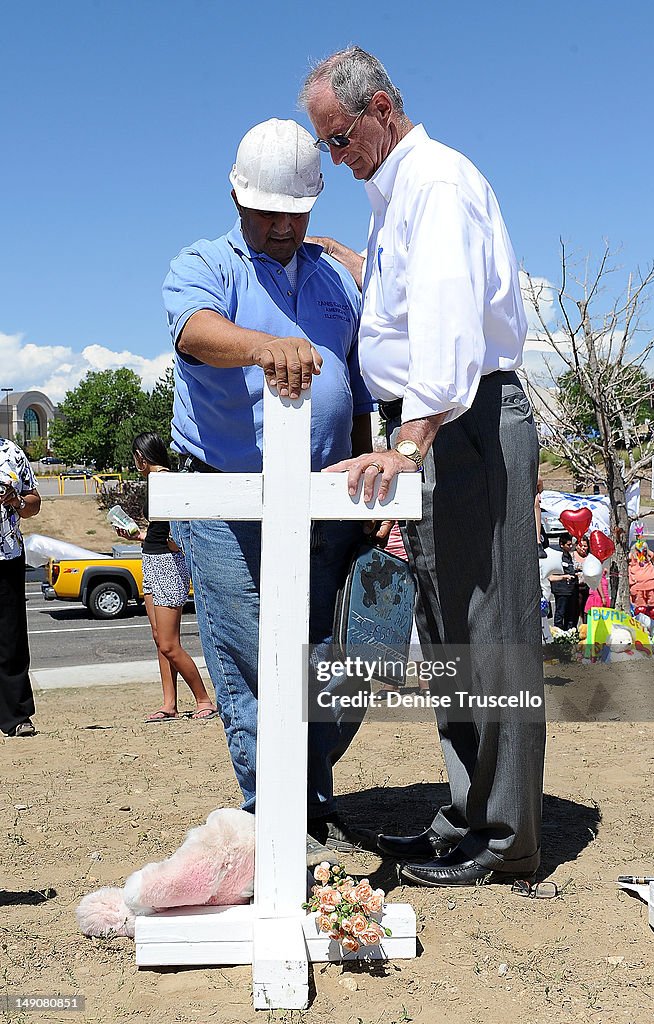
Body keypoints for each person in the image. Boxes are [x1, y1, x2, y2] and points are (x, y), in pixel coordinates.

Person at [301, 48, 545, 887]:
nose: (337, 159)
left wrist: (409, 440)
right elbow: (421, 301)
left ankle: (507, 837)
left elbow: (447, 327)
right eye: (327, 147)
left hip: (460, 419)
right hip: (443, 420)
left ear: (384, 108)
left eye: (339, 139)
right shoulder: (399, 196)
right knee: (445, 633)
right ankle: (464, 816)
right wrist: (370, 278)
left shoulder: (434, 183)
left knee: (491, 632)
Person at [163, 118, 376, 859]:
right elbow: (195, 332)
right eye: (268, 211)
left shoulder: (331, 279)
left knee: (326, 660)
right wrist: (265, 347)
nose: (285, 225)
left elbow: (355, 390)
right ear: (236, 194)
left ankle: (312, 807)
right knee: (255, 659)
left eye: (298, 211)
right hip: (229, 500)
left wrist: (363, 473)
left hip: (325, 503)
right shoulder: (203, 262)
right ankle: (274, 820)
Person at [114, 433, 218, 723]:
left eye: (135, 457)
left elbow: (183, 527)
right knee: (159, 638)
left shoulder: (168, 482)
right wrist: (139, 535)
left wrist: (175, 546)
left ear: (141, 457)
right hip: (152, 560)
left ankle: (204, 700)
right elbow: (162, 531)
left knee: (169, 643)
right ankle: (169, 704)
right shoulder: (156, 483)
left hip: (168, 565)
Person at [1, 437, 41, 737]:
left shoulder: (11, 452)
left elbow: (34, 504)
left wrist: (16, 500)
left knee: (11, 638)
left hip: (8, 555)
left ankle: (16, 716)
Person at [549, 535, 580, 629]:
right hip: (561, 590)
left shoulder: (568, 556)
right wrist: (565, 577)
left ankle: (568, 633)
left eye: (571, 544)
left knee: (570, 614)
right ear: (561, 545)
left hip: (571, 590)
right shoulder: (557, 556)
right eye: (568, 545)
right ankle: (558, 634)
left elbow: (570, 569)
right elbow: (552, 573)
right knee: (560, 613)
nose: (570, 547)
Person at [628, 532, 654, 609]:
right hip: (637, 587)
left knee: (653, 608)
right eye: (639, 550)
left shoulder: (648, 554)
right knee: (640, 609)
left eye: (644, 550)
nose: (642, 552)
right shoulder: (631, 556)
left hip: (652, 585)